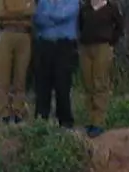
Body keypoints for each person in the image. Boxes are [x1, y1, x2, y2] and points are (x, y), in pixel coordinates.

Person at [32, 0, 80, 128]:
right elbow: (37, 18)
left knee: (62, 85)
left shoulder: (72, 1)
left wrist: (48, 17)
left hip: (64, 45)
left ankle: (65, 122)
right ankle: (41, 121)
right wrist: (53, 18)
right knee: (42, 85)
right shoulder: (43, 1)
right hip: (44, 45)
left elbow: (64, 15)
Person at [78, 0, 123, 137]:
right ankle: (91, 119)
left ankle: (99, 122)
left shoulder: (111, 8)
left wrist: (111, 42)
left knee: (100, 82)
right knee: (88, 83)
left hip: (103, 46)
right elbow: (81, 25)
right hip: (86, 47)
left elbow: (120, 27)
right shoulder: (85, 8)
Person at [0, 0, 35, 124]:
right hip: (6, 33)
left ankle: (18, 111)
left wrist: (11, 12)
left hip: (24, 35)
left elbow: (31, 11)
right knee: (3, 79)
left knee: (20, 79)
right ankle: (3, 113)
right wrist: (22, 13)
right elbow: (0, 13)